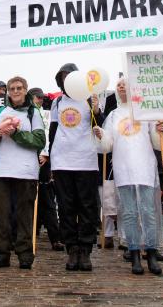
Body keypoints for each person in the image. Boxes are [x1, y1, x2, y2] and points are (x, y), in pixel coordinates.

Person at [97, 78, 163, 275]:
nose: (121, 87)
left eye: (125, 83)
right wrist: (101, 134)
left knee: (148, 211)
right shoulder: (114, 115)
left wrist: (159, 131)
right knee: (128, 212)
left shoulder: (147, 112)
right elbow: (108, 144)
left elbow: (158, 141)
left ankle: (152, 253)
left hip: (144, 167)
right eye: (119, 84)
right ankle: (134, 252)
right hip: (123, 168)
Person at [0, 76, 45, 269]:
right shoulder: (1, 111)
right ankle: (1, 254)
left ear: (25, 90)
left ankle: (25, 254)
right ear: (8, 92)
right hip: (0, 170)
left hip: (26, 172)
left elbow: (39, 140)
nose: (16, 91)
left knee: (23, 216)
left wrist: (17, 134)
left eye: (19, 88)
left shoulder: (33, 113)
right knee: (1, 216)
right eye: (12, 88)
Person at [49, 63, 105, 271]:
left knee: (87, 206)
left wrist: (97, 110)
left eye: (70, 76)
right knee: (66, 206)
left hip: (86, 161)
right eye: (63, 77)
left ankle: (85, 248)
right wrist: (49, 158)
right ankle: (71, 248)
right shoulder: (57, 103)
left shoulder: (89, 100)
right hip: (62, 162)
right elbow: (52, 132)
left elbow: (100, 125)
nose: (67, 80)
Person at [29, 87, 62, 251]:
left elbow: (50, 135)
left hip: (44, 162)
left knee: (48, 201)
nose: (39, 100)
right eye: (36, 98)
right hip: (28, 160)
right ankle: (28, 235)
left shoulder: (47, 114)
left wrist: (46, 154)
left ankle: (55, 238)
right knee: (28, 201)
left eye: (41, 98)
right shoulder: (26, 115)